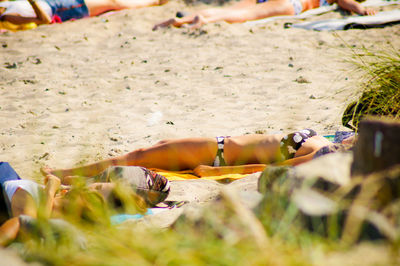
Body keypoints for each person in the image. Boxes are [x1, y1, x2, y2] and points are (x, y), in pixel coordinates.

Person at [43, 129, 355, 179]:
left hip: (217, 153)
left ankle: (62, 176)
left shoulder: (326, 152)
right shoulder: (328, 143)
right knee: (145, 153)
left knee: (137, 156)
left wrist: (213, 172)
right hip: (217, 148)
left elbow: (272, 169)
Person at [0, 161, 152, 246]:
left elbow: (31, 226)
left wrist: (51, 189)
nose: (89, 187)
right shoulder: (34, 195)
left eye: (96, 189)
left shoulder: (33, 196)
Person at [152, 0, 376, 30]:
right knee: (248, 15)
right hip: (293, 4)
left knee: (234, 9)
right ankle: (205, 20)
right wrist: (360, 9)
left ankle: (187, 18)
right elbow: (346, 2)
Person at [0, 0, 167, 25]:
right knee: (113, 3)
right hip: (67, 10)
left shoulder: (7, 4)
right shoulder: (7, 16)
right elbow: (43, 21)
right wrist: (33, 1)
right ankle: (157, 1)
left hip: (65, 2)